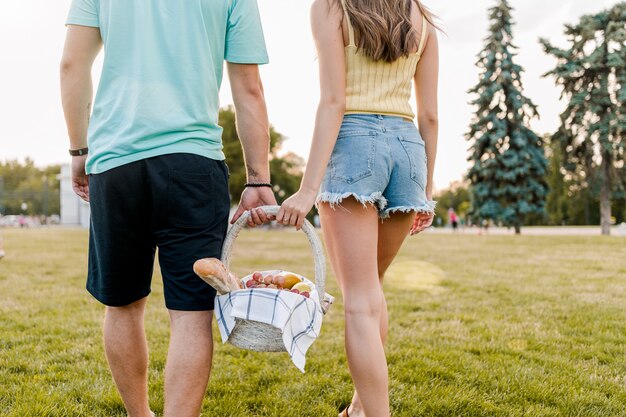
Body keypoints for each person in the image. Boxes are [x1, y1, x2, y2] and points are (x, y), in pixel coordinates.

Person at [60, 1, 276, 416]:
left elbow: (72, 65)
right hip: (193, 164)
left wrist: (78, 150)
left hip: (115, 163)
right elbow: (249, 88)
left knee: (121, 306)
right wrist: (258, 178)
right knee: (192, 314)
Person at [277, 0, 439, 416]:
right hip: (409, 150)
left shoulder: (331, 8)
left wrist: (307, 189)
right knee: (372, 290)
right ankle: (358, 409)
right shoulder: (422, 18)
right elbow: (431, 116)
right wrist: (426, 188)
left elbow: (333, 101)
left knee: (361, 299)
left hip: (353, 143)